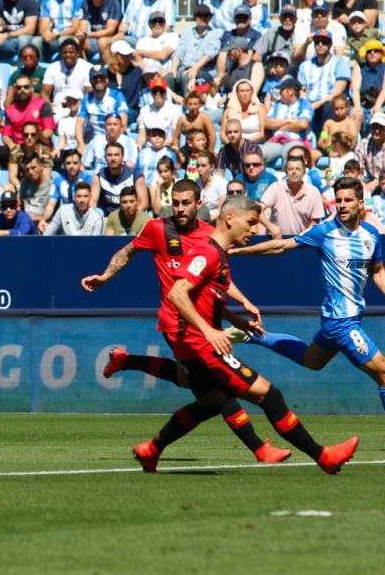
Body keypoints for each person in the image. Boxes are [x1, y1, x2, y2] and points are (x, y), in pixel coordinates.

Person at [130, 194, 359, 473]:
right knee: (268, 395)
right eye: (250, 222)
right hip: (200, 345)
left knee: (210, 402)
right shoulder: (208, 253)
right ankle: (323, 456)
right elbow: (177, 293)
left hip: (194, 344)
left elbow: (207, 299)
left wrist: (239, 321)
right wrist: (209, 331)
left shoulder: (218, 255)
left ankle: (151, 450)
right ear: (229, 219)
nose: (254, 230)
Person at [80, 180, 291, 465]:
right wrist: (105, 276)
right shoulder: (157, 228)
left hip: (201, 322)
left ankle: (128, 369)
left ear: (198, 203)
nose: (179, 208)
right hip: (177, 323)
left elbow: (217, 281)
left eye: (185, 203)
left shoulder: (210, 235)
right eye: (175, 202)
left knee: (193, 384)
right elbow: (127, 251)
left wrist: (241, 304)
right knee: (219, 388)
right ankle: (259, 449)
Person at [230, 175, 385, 412]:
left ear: (361, 204)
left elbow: (378, 272)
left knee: (311, 360)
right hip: (340, 322)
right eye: (338, 200)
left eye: (348, 200)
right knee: (383, 373)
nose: (342, 205)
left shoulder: (371, 235)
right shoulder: (324, 232)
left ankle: (254, 336)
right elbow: (280, 245)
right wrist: (239, 252)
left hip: (349, 318)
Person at [260, 156, 325, 235]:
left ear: (304, 172)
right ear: (286, 172)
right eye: (290, 169)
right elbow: (258, 210)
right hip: (277, 240)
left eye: (298, 169)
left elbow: (315, 221)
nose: (294, 172)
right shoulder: (276, 188)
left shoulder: (313, 192)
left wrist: (303, 238)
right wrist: (271, 227)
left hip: (302, 241)